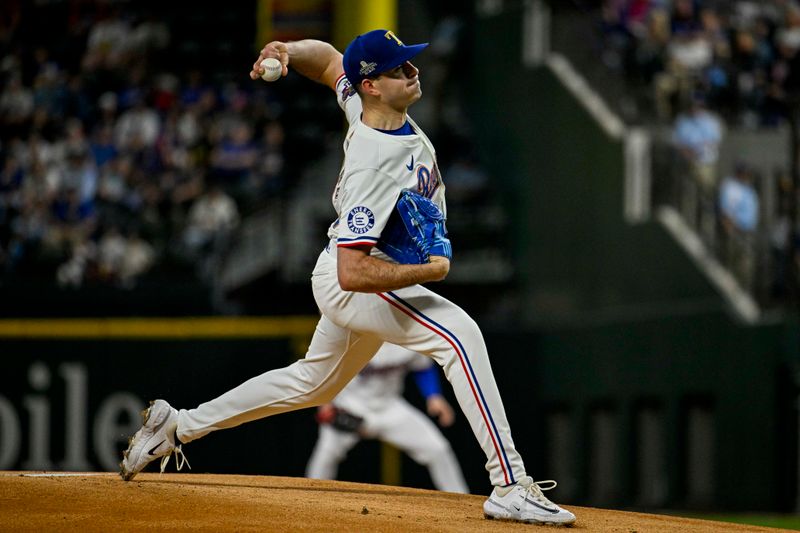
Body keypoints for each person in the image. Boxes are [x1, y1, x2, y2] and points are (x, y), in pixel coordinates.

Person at [119, 29, 576, 526]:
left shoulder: (366, 108)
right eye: (399, 68)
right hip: (353, 279)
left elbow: (331, 61)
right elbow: (352, 270)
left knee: (311, 383)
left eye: (409, 63)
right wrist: (429, 270)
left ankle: (178, 426)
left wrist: (287, 52)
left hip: (355, 272)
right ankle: (509, 483)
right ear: (373, 85)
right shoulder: (372, 163)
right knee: (461, 336)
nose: (412, 71)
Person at [305, 342, 469, 494]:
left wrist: (433, 395)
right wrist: (326, 400)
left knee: (438, 449)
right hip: (350, 406)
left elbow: (422, 366)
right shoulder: (354, 332)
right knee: (326, 455)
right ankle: (309, 502)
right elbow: (326, 367)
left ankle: (462, 501)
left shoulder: (407, 336)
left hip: (390, 407)